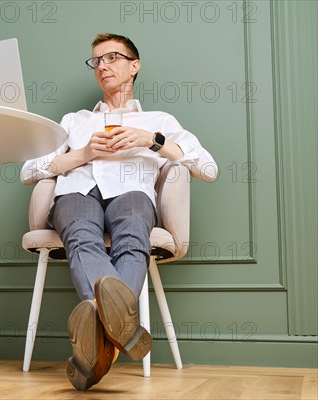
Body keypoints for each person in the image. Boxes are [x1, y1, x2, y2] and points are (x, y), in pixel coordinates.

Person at [20, 33, 218, 391]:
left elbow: (208, 167)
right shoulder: (74, 121)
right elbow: (28, 170)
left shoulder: (159, 119)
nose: (103, 66)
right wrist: (83, 153)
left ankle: (100, 350)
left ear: (134, 65)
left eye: (111, 57)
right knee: (82, 236)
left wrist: (151, 140)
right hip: (77, 192)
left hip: (132, 192)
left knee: (132, 236)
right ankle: (124, 330)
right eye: (96, 60)